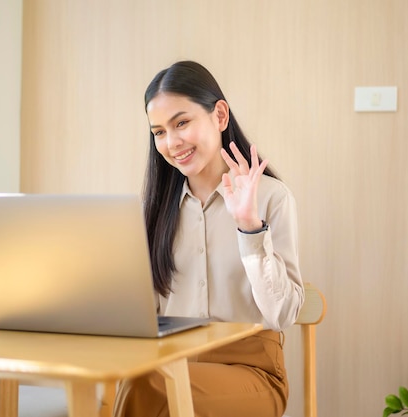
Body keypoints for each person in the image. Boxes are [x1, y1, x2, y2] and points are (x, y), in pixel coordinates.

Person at [114, 60, 304, 417]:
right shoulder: (152, 212)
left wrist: (249, 225)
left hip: (252, 373)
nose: (172, 142)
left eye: (182, 123)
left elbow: (283, 314)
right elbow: (143, 312)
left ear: (219, 116)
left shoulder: (271, 198)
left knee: (148, 386)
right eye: (158, 132)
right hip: (169, 362)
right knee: (139, 381)